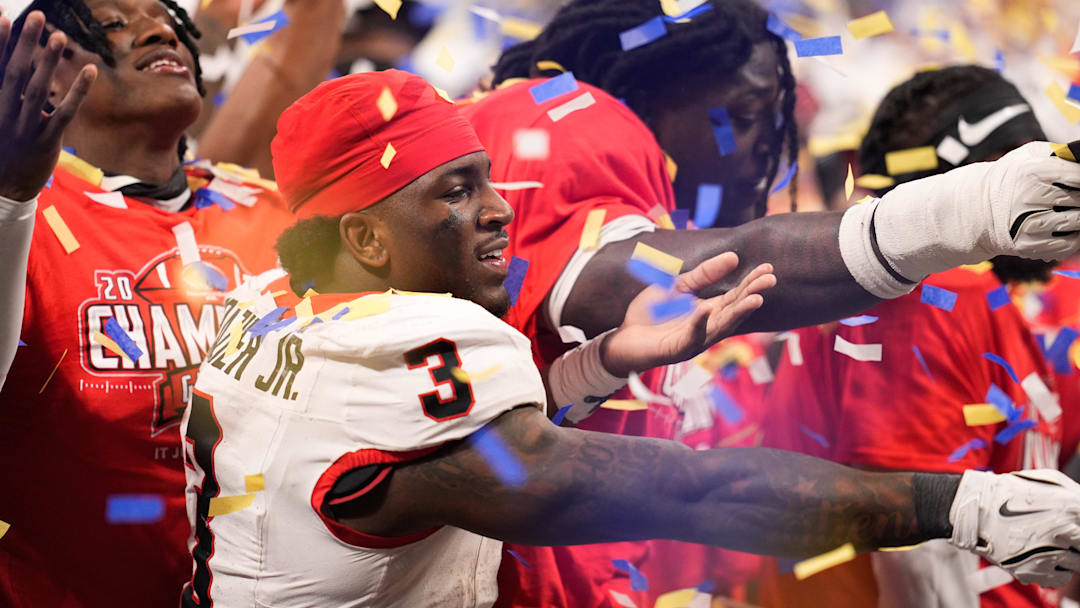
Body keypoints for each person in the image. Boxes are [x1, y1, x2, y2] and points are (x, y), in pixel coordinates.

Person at [187, 67, 1080, 608]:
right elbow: (690, 493)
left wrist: (597, 364)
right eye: (453, 192)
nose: (499, 209)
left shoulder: (273, 299)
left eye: (487, 177)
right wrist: (959, 510)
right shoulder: (419, 345)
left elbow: (421, 459)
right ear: (367, 238)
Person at [455, 0, 1080, 604]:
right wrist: (970, 211)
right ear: (659, 84)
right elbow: (674, 274)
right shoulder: (568, 117)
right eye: (746, 113)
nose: (763, 150)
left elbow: (675, 481)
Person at [0, 0, 338, 603]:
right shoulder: (26, 217)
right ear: (39, 72)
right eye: (111, 23)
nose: (158, 29)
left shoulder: (283, 215)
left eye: (166, 19)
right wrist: (9, 200)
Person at [760, 66, 1065, 608]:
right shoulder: (935, 295)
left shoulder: (981, 296)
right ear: (977, 180)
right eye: (1028, 162)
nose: (1058, 181)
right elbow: (916, 544)